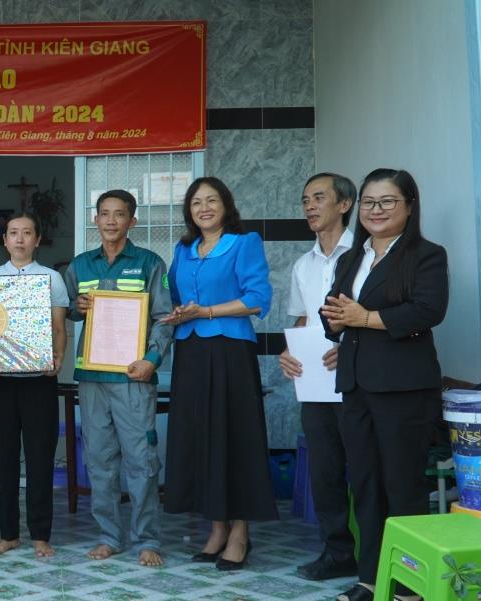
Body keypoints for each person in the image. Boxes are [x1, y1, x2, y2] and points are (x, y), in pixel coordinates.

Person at [320, 169, 448, 601]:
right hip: (356, 385)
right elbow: (336, 312)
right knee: (366, 486)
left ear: (409, 206)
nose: (375, 210)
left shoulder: (427, 255)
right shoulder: (350, 257)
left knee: (403, 485)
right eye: (369, 202)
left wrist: (365, 318)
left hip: (404, 389)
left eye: (387, 201)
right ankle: (371, 579)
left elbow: (428, 311)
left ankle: (409, 586)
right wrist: (334, 321)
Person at [163, 176, 276, 572]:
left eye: (211, 200)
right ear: (189, 211)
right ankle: (216, 529)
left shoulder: (244, 243)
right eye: (196, 203)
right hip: (191, 351)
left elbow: (258, 299)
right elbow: (178, 299)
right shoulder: (183, 248)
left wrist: (207, 311)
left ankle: (240, 532)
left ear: (226, 205)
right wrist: (177, 314)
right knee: (200, 438)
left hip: (230, 350)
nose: (204, 208)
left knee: (235, 436)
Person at [64, 189, 174, 567]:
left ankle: (148, 539)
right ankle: (110, 535)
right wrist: (76, 309)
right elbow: (70, 314)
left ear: (133, 220)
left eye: (120, 214)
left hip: (134, 377)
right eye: (105, 214)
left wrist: (152, 360)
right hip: (92, 378)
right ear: (95, 219)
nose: (111, 221)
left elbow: (164, 317)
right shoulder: (79, 266)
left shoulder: (149, 263)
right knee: (99, 460)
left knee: (141, 460)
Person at [278, 173, 358, 582]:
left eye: (319, 198)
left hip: (360, 383)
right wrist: (289, 352)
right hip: (315, 384)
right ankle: (337, 552)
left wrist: (351, 349)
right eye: (305, 199)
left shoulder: (364, 255)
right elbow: (304, 316)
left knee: (363, 471)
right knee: (325, 473)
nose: (309, 206)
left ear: (345, 204)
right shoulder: (302, 265)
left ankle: (376, 551)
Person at [0, 212, 69, 558]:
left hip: (39, 382)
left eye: (26, 233)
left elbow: (58, 328)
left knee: (40, 459)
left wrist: (57, 359)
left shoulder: (51, 279)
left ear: (37, 239)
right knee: (3, 459)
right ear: (4, 240)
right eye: (12, 233)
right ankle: (8, 534)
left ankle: (41, 535)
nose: (19, 239)